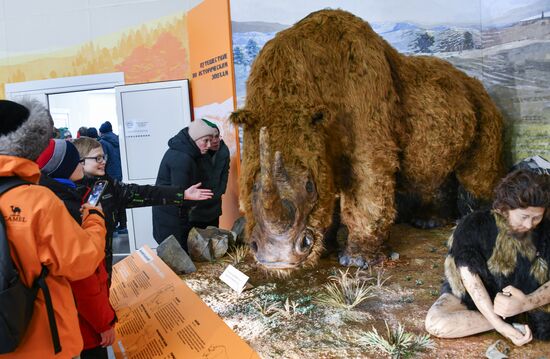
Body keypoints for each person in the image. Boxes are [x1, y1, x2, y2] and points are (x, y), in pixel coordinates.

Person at [0, 99, 106, 358]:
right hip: (40, 341)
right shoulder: (37, 200)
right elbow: (80, 261)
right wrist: (94, 219)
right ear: (30, 143)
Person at [425, 169, 550, 346]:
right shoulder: (473, 225)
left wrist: (525, 303)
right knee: (436, 323)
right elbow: (471, 280)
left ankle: (518, 315)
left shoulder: (546, 229)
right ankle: (513, 321)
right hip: (474, 297)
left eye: (537, 217)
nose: (530, 224)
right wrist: (500, 325)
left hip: (527, 299)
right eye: (524, 217)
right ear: (504, 209)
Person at [73, 137, 213, 276]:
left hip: (104, 264)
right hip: (83, 268)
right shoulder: (70, 195)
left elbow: (145, 193)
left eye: (104, 157)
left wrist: (182, 194)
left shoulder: (105, 185)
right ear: (81, 161)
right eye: (97, 158)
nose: (103, 161)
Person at [37, 139, 116, 359]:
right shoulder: (70, 209)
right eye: (77, 162)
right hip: (83, 322)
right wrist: (103, 323)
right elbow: (84, 275)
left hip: (64, 317)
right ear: (65, 166)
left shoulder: (49, 197)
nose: (82, 165)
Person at [152, 119, 217, 251]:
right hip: (171, 217)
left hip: (170, 212)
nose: (209, 145)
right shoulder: (183, 158)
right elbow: (180, 196)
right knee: (177, 255)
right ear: (194, 139)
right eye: (205, 140)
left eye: (211, 140)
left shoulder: (188, 151)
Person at [189, 120, 230, 229]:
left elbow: (225, 172)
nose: (216, 141)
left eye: (217, 136)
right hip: (197, 207)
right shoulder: (197, 153)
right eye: (212, 138)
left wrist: (221, 190)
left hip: (215, 204)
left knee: (214, 234)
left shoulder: (224, 150)